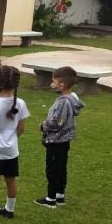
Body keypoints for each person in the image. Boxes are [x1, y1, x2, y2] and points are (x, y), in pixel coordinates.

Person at [0, 65, 30, 221]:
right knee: (11, 179)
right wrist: (11, 139)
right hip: (11, 149)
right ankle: (9, 209)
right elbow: (21, 128)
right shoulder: (20, 103)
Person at [34, 66, 84, 208]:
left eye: (54, 81)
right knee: (61, 167)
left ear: (62, 85)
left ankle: (51, 199)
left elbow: (57, 122)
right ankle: (60, 195)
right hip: (65, 140)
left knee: (53, 169)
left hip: (56, 141)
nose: (52, 84)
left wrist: (44, 126)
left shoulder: (63, 102)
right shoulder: (71, 98)